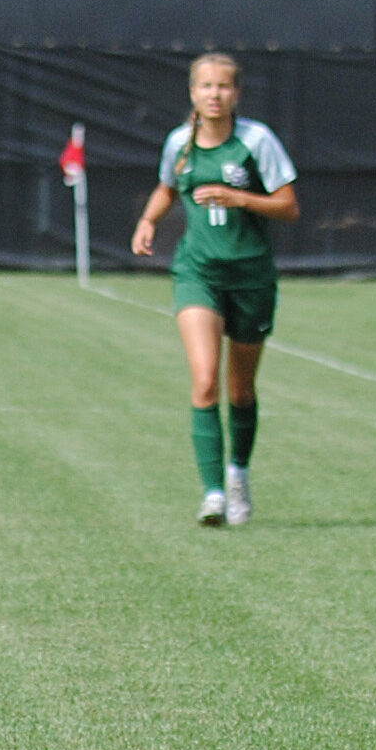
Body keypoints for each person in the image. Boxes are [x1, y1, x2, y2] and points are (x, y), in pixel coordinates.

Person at [132, 52, 300, 527]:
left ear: (236, 94)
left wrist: (238, 197)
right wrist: (148, 220)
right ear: (192, 92)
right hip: (198, 272)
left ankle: (237, 476)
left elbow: (288, 206)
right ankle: (212, 495)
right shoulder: (180, 144)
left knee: (240, 389)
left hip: (251, 276)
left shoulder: (256, 141)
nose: (214, 94)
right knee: (205, 380)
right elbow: (168, 187)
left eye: (224, 87)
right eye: (206, 86)